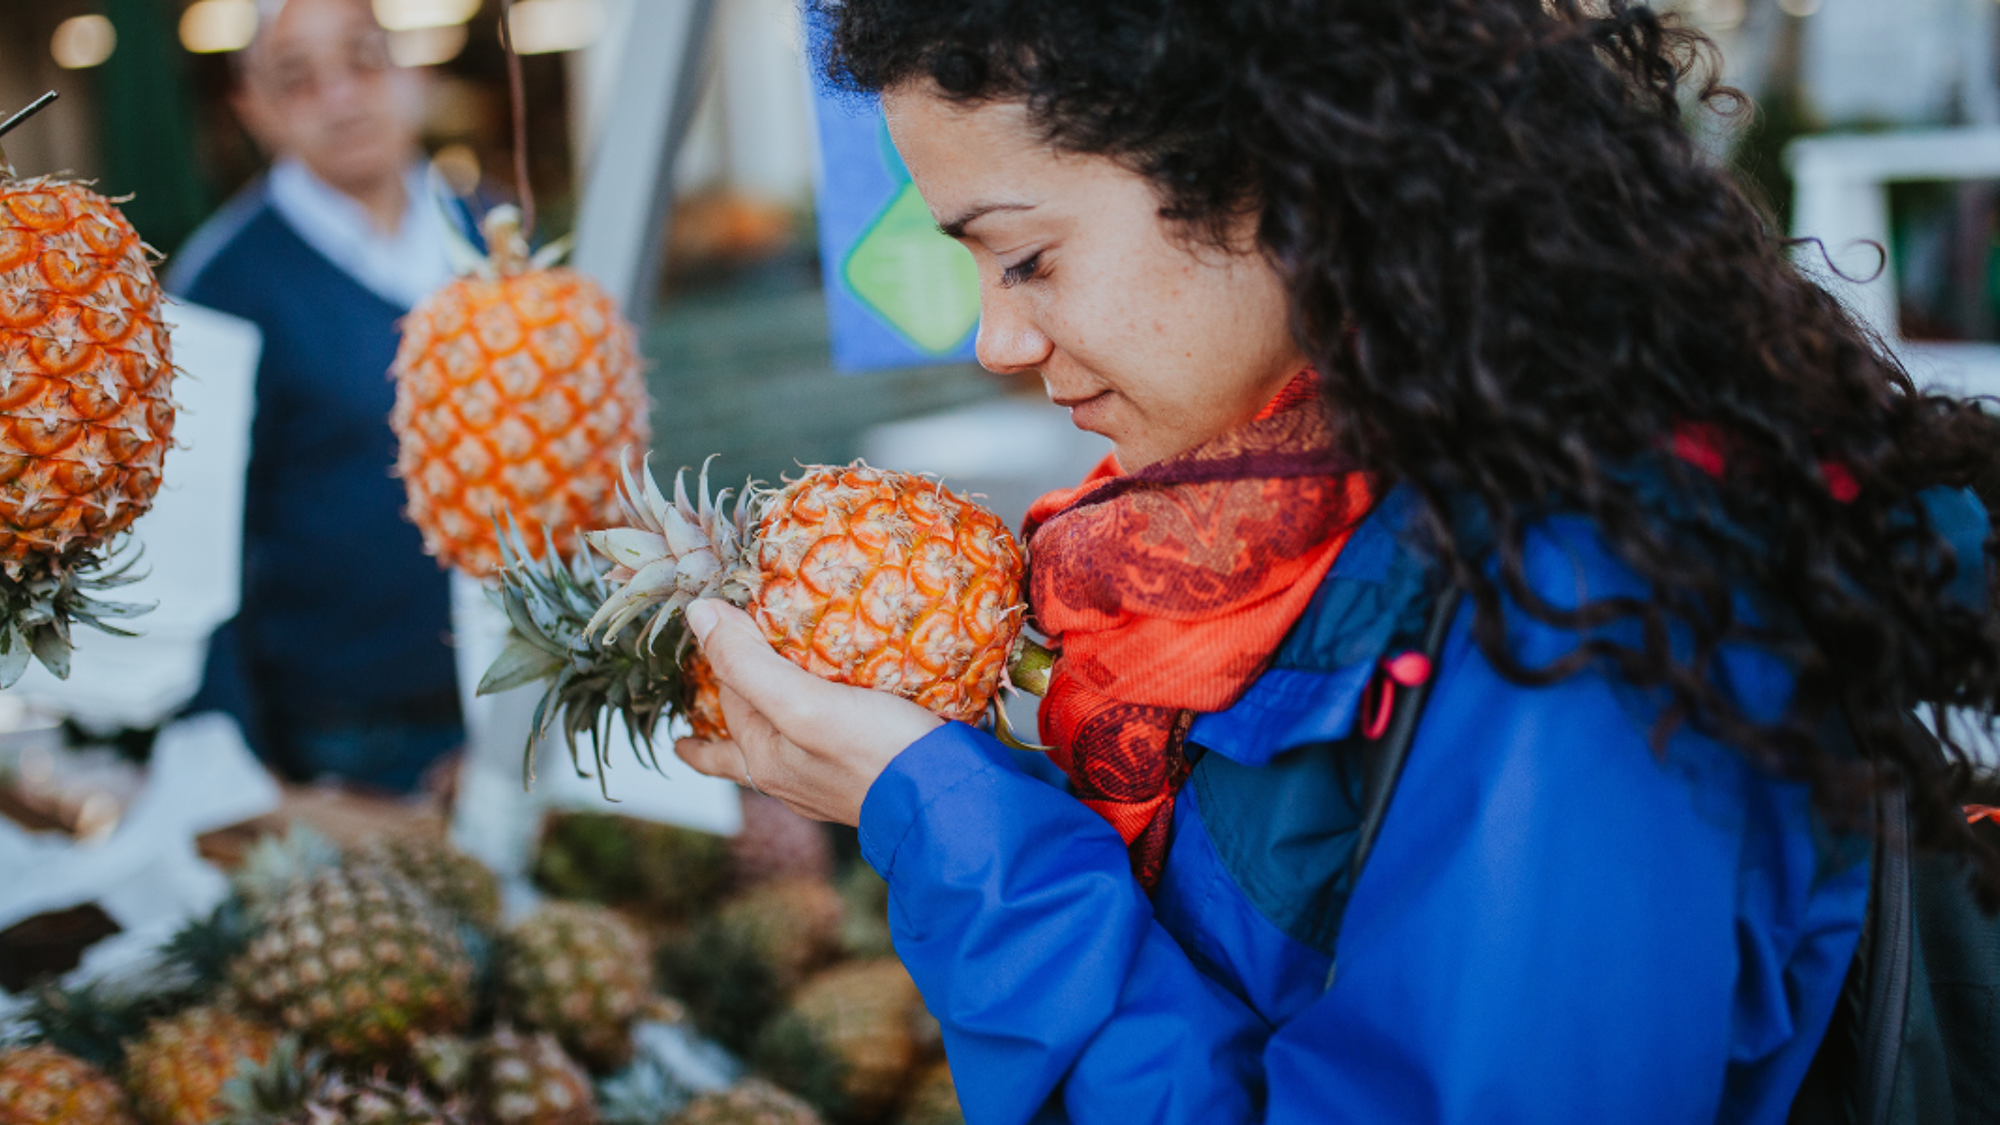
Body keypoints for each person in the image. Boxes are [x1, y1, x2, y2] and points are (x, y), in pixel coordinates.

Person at [671, 1, 2000, 1122]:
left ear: (1289, 179)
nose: (995, 342)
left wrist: (949, 820)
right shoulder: (1270, 527)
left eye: (1025, 257)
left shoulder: (1583, 607)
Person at [168, 0, 464, 793]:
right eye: (297, 79)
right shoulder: (221, 286)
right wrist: (244, 776)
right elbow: (195, 549)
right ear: (251, 107)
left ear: (413, 68)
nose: (340, 96)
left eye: (364, 58)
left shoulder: (494, 232)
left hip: (525, 708)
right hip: (347, 741)